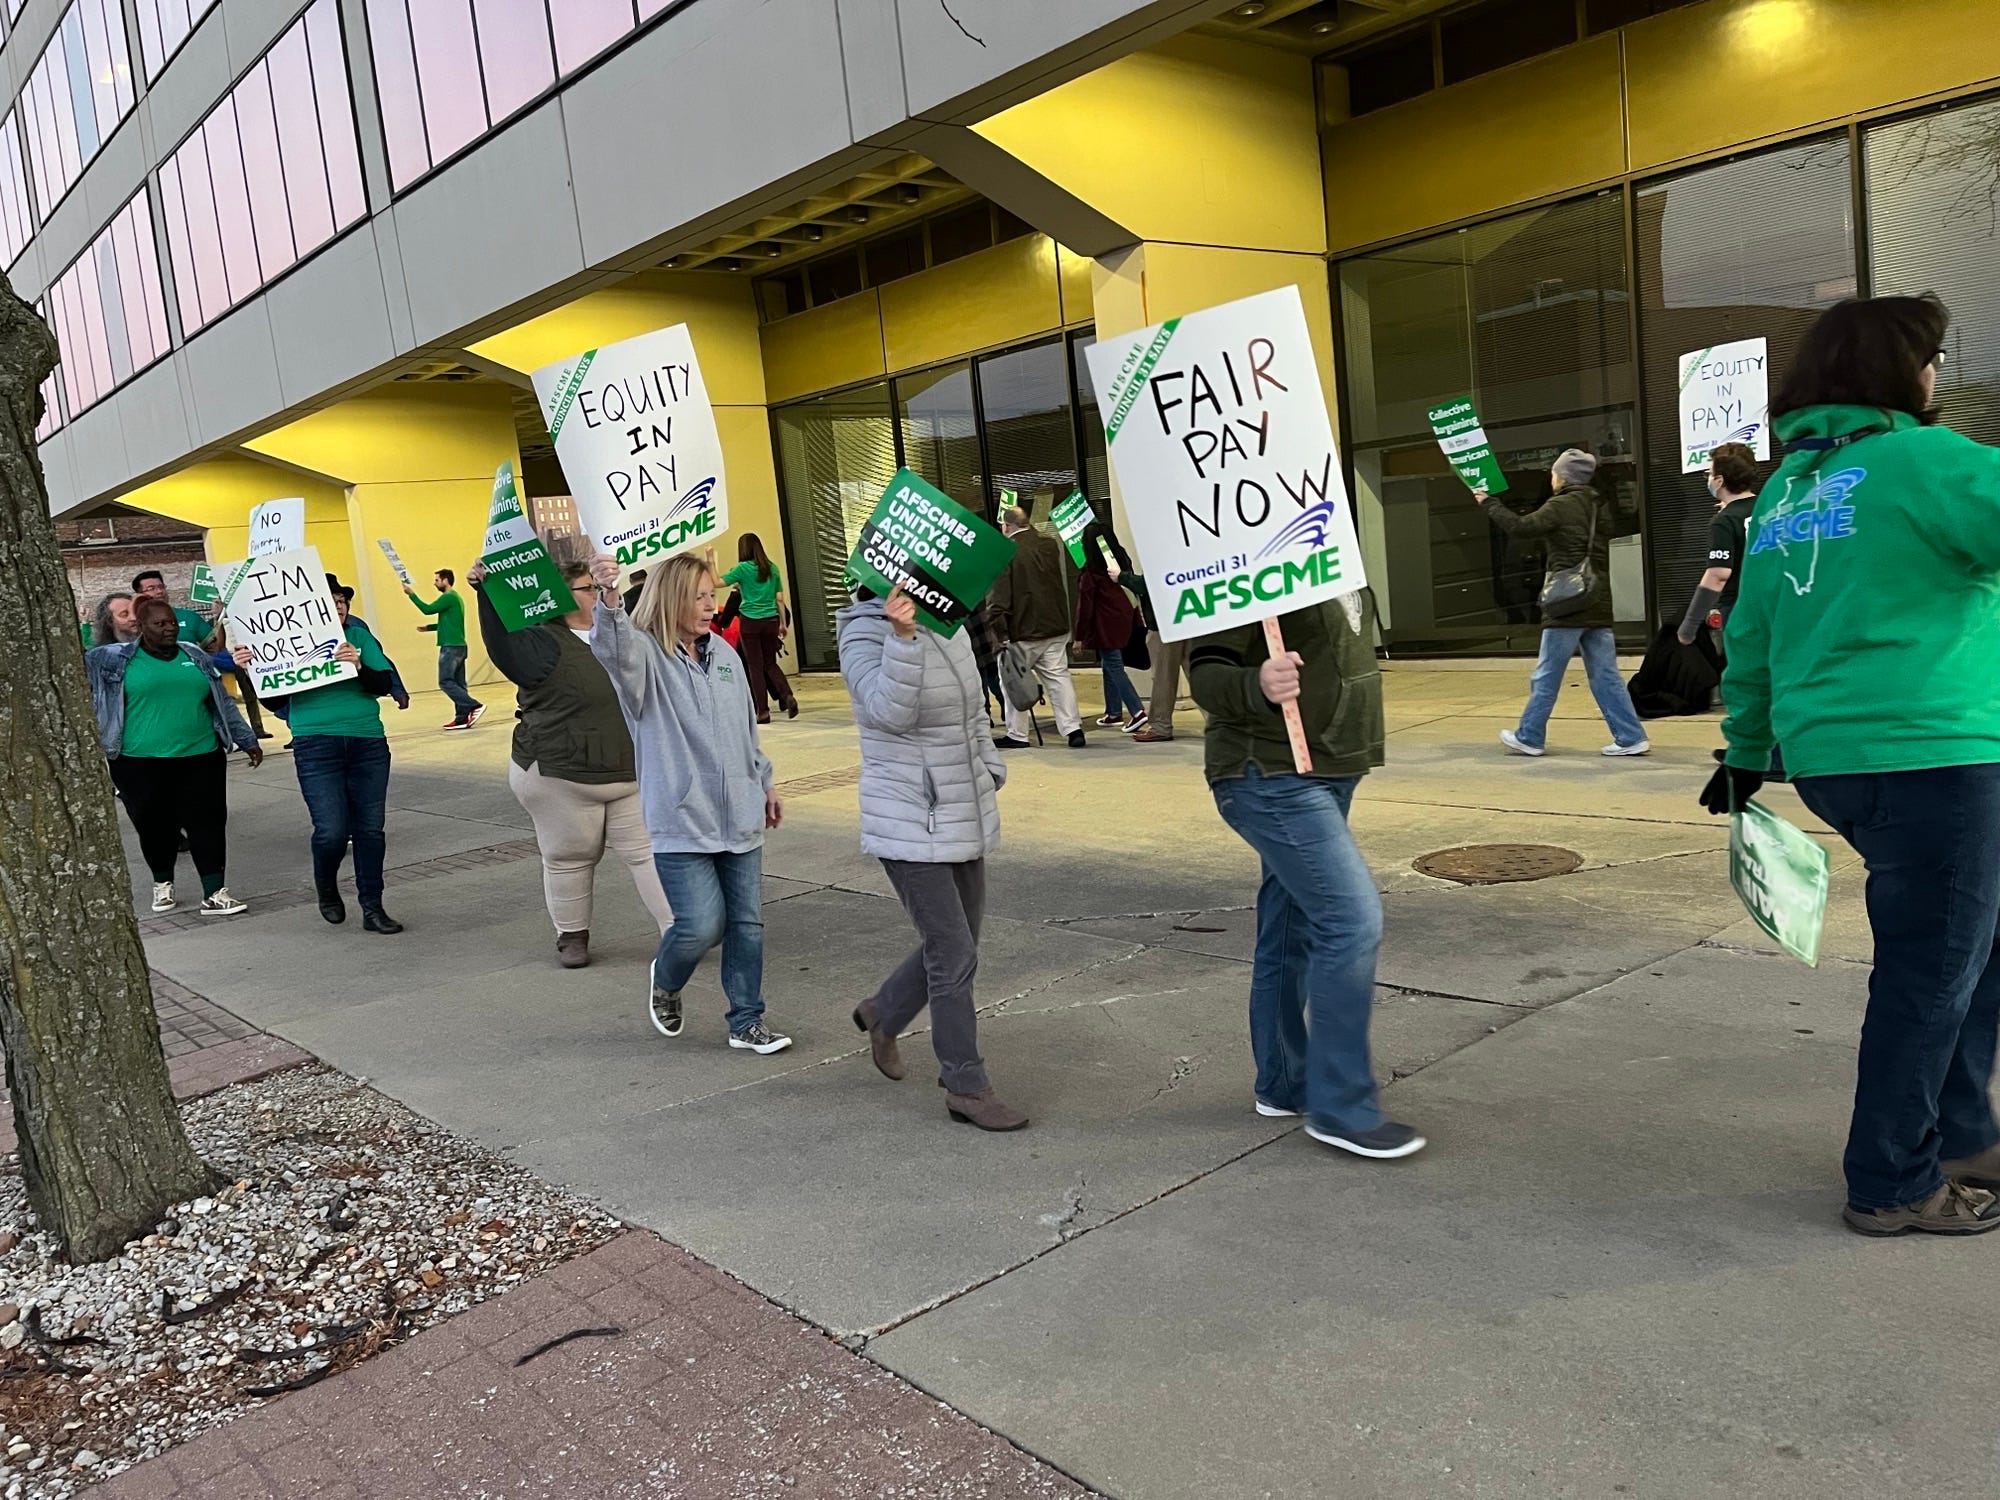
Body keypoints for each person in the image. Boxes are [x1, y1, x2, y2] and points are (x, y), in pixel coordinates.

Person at [1702, 293, 2000, 1238]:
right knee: (1932, 969)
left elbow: (1747, 635)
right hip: (1939, 755)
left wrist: (1745, 756)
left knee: (1972, 952)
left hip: (1834, 761)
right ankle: (1893, 1180)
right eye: (1934, 359)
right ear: (1905, 372)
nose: (1937, 375)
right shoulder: (1925, 461)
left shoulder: (1789, 491)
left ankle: (1960, 1132)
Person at [1189, 589, 1423, 1161]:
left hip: (1326, 767)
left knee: (1291, 927)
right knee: (1351, 918)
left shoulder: (1339, 557)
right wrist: (1257, 684)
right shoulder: (1251, 562)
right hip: (1269, 774)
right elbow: (1207, 671)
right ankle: (1341, 1106)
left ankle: (1285, 1082)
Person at [839, 581, 1026, 1131]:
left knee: (958, 945)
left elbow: (973, 712)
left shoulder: (947, 620)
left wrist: (990, 768)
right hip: (906, 816)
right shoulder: (862, 630)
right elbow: (886, 713)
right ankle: (965, 1084)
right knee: (953, 953)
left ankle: (884, 1012)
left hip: (963, 806)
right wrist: (902, 636)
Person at [589, 551, 792, 1054]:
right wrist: (609, 596)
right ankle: (668, 975)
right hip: (682, 817)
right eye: (700, 597)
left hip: (740, 812)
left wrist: (763, 780)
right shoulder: (644, 655)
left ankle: (747, 1021)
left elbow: (745, 729)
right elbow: (612, 650)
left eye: (713, 596)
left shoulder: (724, 654)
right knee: (701, 925)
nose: (711, 606)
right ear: (672, 597)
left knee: (747, 925)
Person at [471, 556, 671, 969]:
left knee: (650, 852)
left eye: (599, 588)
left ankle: (680, 931)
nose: (597, 595)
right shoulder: (539, 643)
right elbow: (501, 645)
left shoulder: (622, 633)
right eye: (589, 589)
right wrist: (486, 594)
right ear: (562, 598)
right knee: (570, 855)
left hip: (629, 772)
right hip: (559, 774)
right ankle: (572, 935)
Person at [238, 588, 404, 934]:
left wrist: (358, 665)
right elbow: (274, 700)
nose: (337, 608)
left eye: (341, 603)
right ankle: (327, 886)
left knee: (370, 829)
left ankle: (373, 908)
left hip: (366, 741)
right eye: (328, 603)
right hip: (316, 743)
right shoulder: (285, 641)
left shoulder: (358, 636)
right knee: (331, 831)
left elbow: (383, 683)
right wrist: (254, 667)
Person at [87, 594, 263, 916]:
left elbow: (220, 701)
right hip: (137, 761)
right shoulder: (109, 660)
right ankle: (162, 882)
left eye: (171, 622)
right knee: (155, 824)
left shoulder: (193, 654)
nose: (169, 628)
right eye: (159, 624)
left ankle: (215, 892)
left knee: (208, 821)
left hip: (200, 755)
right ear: (141, 627)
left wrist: (245, 738)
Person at [1473, 449, 1650, 758]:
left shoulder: (1561, 505)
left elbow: (1521, 527)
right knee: (1606, 675)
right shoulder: (1598, 507)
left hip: (1568, 602)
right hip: (1596, 599)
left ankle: (1529, 735)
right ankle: (1630, 736)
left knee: (1547, 674)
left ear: (1563, 476)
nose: (1551, 478)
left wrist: (1489, 503)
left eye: (1554, 473)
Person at [988, 504, 1084, 749]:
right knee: (1059, 678)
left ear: (1006, 526)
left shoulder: (1005, 552)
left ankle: (1017, 734)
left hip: (1023, 630)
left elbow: (1000, 597)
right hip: (1055, 624)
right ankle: (1072, 728)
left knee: (1012, 680)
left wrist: (1000, 631)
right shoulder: (1049, 545)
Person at [1675, 440, 1763, 647]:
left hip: (1740, 606)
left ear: (1719, 481)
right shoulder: (1769, 505)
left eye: (1709, 474)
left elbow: (1718, 575)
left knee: (1743, 670)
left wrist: (1690, 623)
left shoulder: (1724, 521)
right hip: (1775, 600)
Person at [720, 533, 797, 723]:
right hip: (771, 621)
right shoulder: (772, 568)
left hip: (751, 623)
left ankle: (762, 711)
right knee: (770, 663)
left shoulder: (742, 570)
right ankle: (786, 694)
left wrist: (711, 560)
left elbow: (718, 585)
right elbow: (780, 599)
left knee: (755, 667)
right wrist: (782, 624)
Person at [1073, 531, 1145, 731]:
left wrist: (1079, 638)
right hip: (1126, 620)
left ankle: (1137, 711)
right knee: (1108, 664)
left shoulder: (1090, 573)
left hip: (1105, 626)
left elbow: (1084, 608)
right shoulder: (1120, 563)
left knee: (1114, 666)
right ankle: (1113, 712)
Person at [405, 568, 484, 730]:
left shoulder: (448, 597)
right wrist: (429, 628)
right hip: (459, 646)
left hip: (451, 647)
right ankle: (461, 718)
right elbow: (450, 623)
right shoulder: (455, 598)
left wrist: (411, 594)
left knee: (445, 681)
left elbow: (427, 609)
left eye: (437, 580)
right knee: (458, 684)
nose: (434, 583)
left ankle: (473, 705)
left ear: (445, 581)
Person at [132, 568, 214, 651]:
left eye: (161, 587)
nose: (159, 591)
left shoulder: (189, 616)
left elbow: (214, 646)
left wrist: (217, 616)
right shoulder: (133, 621)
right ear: (139, 595)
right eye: (151, 588)